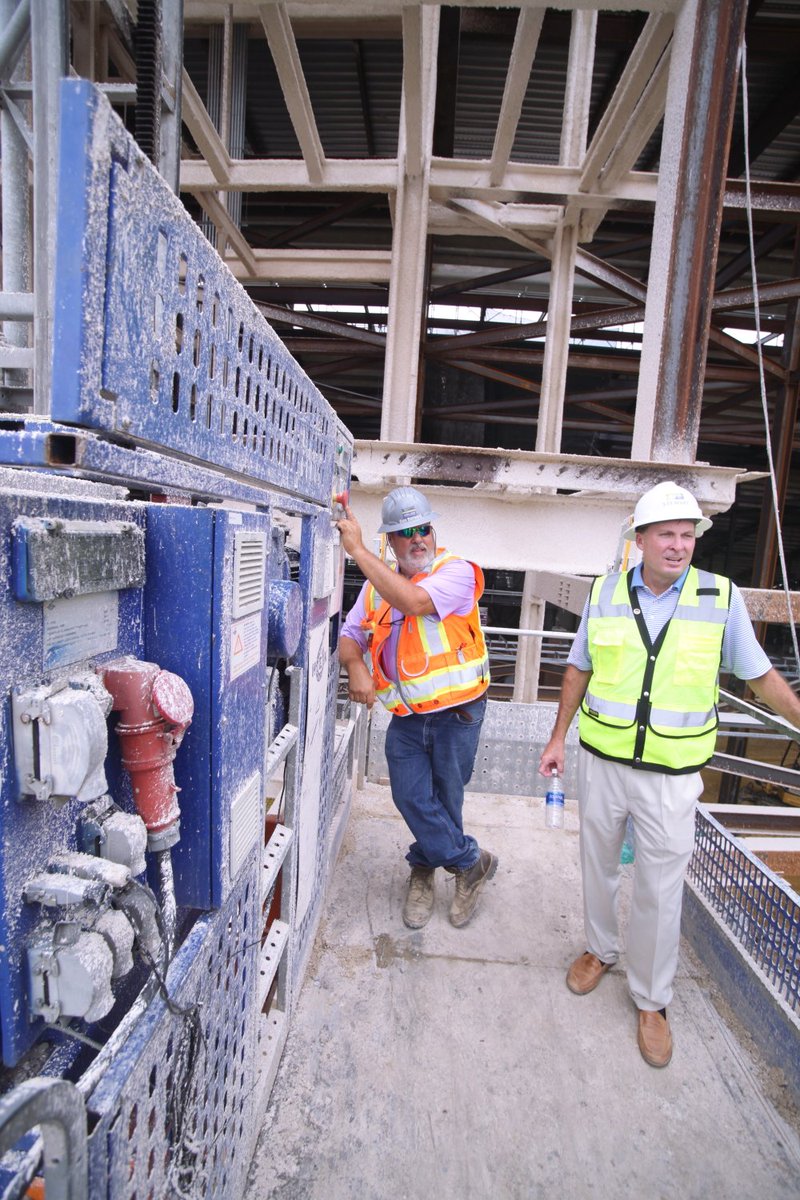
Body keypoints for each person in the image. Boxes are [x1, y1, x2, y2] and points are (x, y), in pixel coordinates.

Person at [539, 480, 800, 1069]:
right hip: (604, 762)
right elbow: (579, 668)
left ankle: (652, 1000)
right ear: (640, 540)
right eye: (667, 535)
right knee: (597, 864)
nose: (680, 546)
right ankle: (599, 950)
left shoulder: (718, 597)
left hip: (672, 774)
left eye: (688, 535)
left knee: (661, 887)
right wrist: (558, 736)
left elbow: (758, 675)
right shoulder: (605, 593)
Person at [337, 485, 497, 930]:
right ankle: (471, 863)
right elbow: (350, 637)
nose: (418, 538)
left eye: (424, 527)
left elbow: (413, 602)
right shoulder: (374, 590)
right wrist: (356, 667)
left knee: (444, 798)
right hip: (406, 718)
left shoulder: (456, 571)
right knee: (411, 795)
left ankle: (423, 870)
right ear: (392, 541)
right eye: (406, 532)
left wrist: (357, 551)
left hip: (457, 714)